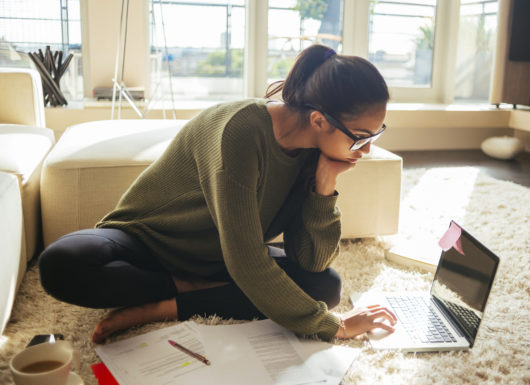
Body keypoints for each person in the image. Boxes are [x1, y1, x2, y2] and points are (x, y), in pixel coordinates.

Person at [38, 44, 397, 344]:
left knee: (326, 285)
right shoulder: (240, 131)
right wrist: (336, 326)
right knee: (61, 264)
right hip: (149, 242)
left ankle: (167, 304)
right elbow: (247, 262)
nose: (365, 151)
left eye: (375, 135)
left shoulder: (316, 155)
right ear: (319, 120)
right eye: (360, 137)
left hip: (222, 258)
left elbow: (311, 261)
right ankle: (191, 289)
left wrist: (324, 187)